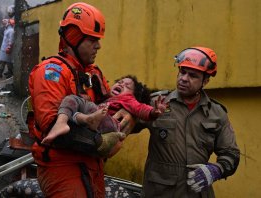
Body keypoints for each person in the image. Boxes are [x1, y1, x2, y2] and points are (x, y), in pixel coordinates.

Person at [29, 3, 135, 197]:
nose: (99, 45)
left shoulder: (92, 74)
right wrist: (100, 142)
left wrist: (130, 114)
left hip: (92, 165)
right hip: (62, 167)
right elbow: (52, 128)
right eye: (92, 39)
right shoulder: (51, 72)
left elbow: (111, 109)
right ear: (74, 38)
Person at [135, 47, 240, 197]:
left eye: (192, 75)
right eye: (182, 72)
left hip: (197, 193)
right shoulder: (157, 103)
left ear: (205, 81)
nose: (184, 78)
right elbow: (124, 126)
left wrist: (216, 170)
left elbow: (231, 154)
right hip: (160, 193)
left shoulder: (216, 113)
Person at [41, 75, 167, 156]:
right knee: (76, 110)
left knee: (74, 101)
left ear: (134, 95)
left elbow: (140, 109)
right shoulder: (107, 100)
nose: (121, 84)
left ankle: (67, 122)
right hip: (98, 128)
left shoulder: (128, 100)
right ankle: (86, 120)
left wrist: (153, 112)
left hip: (110, 125)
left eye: (127, 86)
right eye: (120, 82)